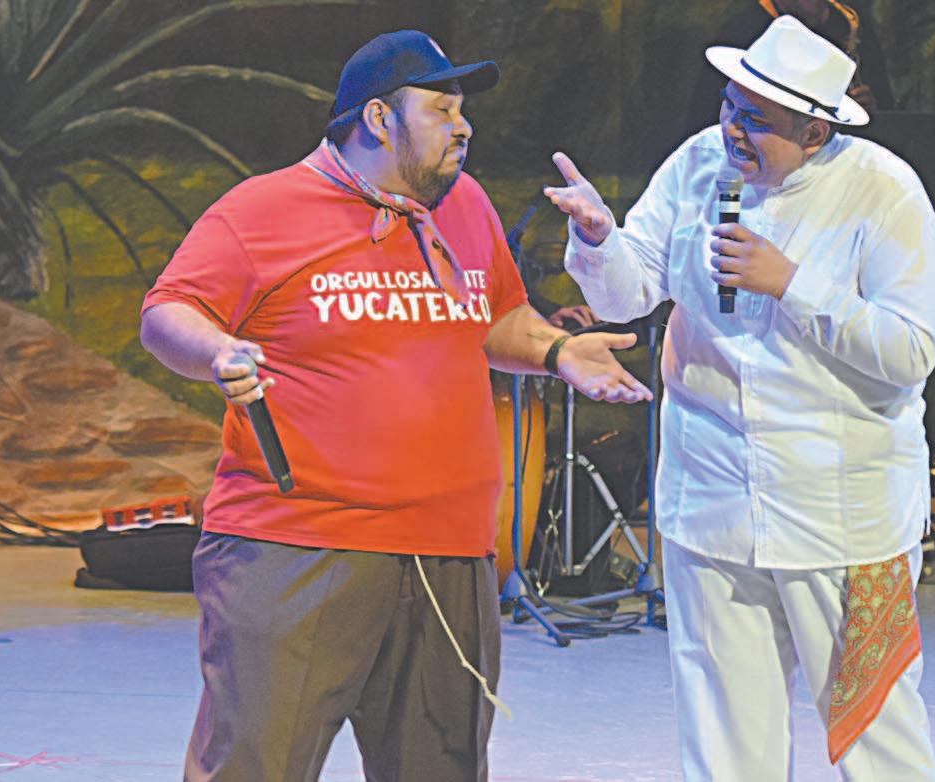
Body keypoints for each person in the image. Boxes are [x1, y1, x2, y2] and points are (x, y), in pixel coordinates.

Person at [139, 29, 650, 782]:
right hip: (299, 546)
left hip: (448, 551)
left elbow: (495, 317)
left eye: (462, 110)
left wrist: (557, 351)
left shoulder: (463, 205)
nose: (463, 126)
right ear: (378, 119)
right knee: (256, 766)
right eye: (442, 109)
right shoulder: (264, 209)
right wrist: (216, 352)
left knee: (439, 767)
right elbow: (167, 312)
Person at [547, 16, 935, 780]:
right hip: (712, 500)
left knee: (874, 731)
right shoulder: (697, 164)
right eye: (729, 106)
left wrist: (792, 284)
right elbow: (628, 296)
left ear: (815, 131)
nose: (731, 129)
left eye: (756, 120)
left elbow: (909, 353)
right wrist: (599, 242)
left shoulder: (883, 191)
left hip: (839, 514)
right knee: (725, 737)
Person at [680, 0, 896, 143]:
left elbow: (889, 110)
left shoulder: (849, 22)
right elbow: (703, 118)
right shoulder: (741, 30)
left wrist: (871, 108)